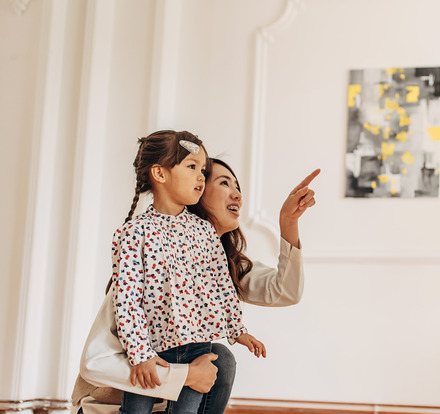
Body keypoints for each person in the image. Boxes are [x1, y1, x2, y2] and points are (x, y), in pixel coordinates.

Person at [72, 155, 319, 414]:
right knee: (216, 358)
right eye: (225, 183)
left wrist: (288, 223)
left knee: (219, 357)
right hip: (105, 407)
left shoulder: (222, 264)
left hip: (164, 403)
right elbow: (95, 364)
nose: (237, 195)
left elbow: (285, 292)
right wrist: (186, 375)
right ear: (197, 190)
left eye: (238, 188)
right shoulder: (151, 262)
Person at [109, 131, 267, 414]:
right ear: (159, 173)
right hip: (151, 351)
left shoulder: (204, 231)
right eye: (192, 167)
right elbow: (127, 300)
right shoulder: (134, 233)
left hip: (198, 348)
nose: (201, 177)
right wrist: (139, 354)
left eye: (203, 170)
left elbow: (221, 285)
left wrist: (237, 329)